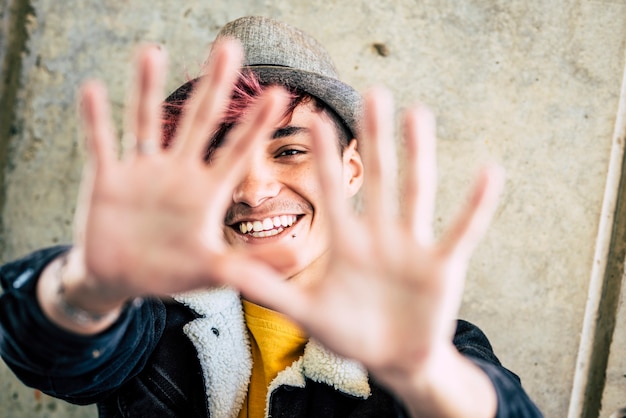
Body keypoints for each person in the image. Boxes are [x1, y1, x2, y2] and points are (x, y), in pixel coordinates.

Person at [0, 16, 543, 417]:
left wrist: (425, 376)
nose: (254, 192)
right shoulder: (154, 322)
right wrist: (87, 292)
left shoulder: (426, 341)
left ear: (351, 168)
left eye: (289, 151)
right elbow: (58, 353)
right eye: (222, 158)